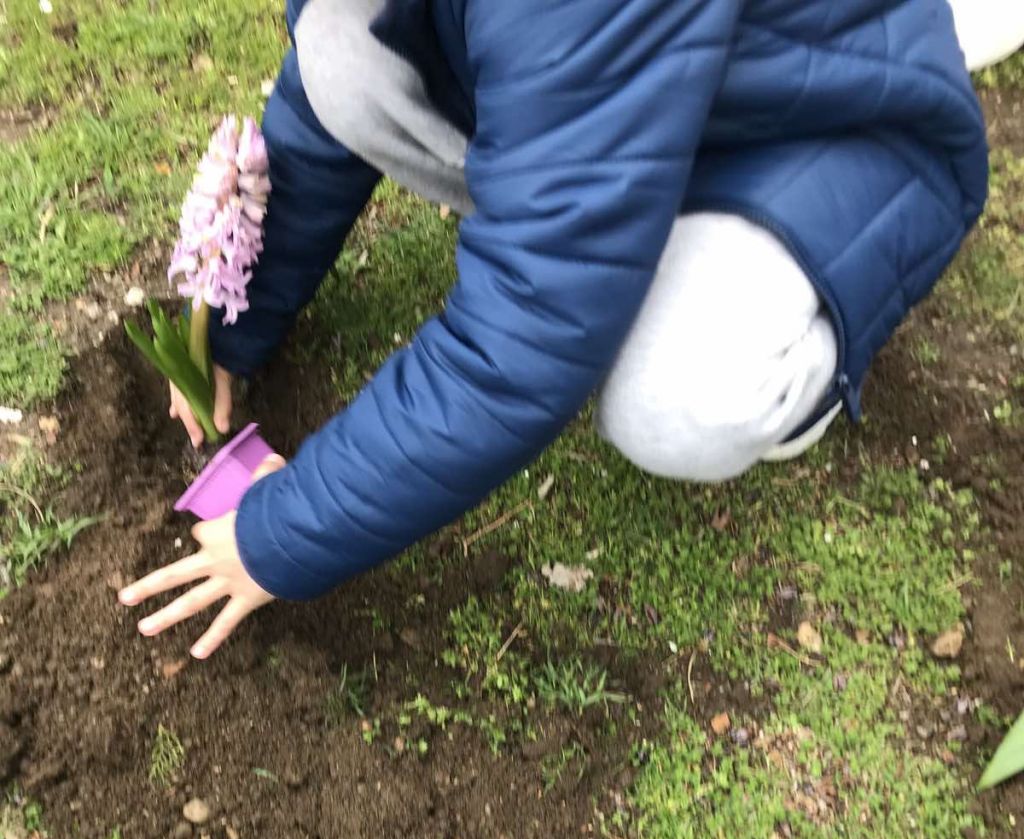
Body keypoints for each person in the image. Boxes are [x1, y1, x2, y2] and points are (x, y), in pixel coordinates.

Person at [119, 0, 1011, 659]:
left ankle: (787, 344)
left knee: (677, 401)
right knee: (340, 45)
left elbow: (523, 341)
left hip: (821, 131)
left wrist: (282, 534)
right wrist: (230, 326)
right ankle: (580, 200)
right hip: (623, 102)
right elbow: (317, 122)